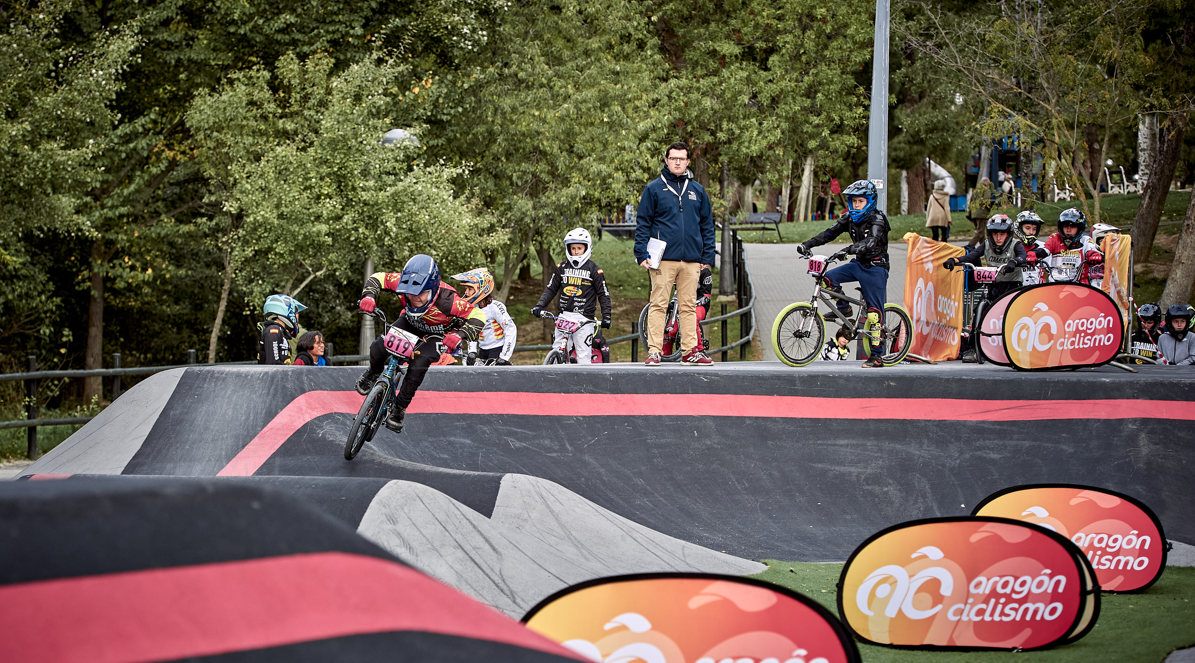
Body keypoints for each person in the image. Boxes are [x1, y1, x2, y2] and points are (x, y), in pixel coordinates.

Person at [356, 254, 484, 433]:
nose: (414, 297)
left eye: (421, 293)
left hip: (438, 334)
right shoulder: (401, 281)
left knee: (419, 363)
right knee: (378, 347)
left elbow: (478, 315)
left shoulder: (449, 301)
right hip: (409, 323)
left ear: (432, 289)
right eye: (409, 292)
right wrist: (369, 296)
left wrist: (459, 334)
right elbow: (377, 277)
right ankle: (373, 372)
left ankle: (399, 409)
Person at [634, 141, 716, 366]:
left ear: (688, 162)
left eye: (682, 158)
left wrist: (707, 258)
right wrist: (640, 253)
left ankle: (690, 351)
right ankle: (654, 351)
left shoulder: (697, 190)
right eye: (673, 158)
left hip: (691, 260)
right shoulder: (654, 189)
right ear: (666, 160)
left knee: (688, 306)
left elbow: (707, 225)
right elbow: (643, 222)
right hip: (663, 259)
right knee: (659, 304)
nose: (677, 162)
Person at [796, 180, 891, 369]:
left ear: (870, 201)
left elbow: (871, 242)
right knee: (826, 280)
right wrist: (807, 244)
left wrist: (848, 250)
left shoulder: (877, 219)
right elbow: (829, 233)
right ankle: (844, 308)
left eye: (860, 201)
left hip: (876, 267)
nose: (856, 205)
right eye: (853, 201)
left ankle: (878, 356)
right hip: (858, 264)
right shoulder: (849, 218)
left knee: (873, 316)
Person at [945, 215, 1027, 363]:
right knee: (980, 312)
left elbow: (1023, 257)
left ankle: (1015, 348)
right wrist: (955, 260)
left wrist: (1014, 262)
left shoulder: (1016, 244)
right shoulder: (987, 244)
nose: (998, 237)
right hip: (994, 285)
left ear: (1008, 234)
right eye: (995, 233)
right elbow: (974, 255)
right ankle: (973, 349)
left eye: (1002, 234)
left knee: (1011, 315)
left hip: (1012, 286)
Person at [532, 228, 612, 365]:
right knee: (557, 350)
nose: (575, 251)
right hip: (563, 317)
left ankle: (583, 385)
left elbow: (603, 295)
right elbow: (551, 289)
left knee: (583, 357)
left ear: (587, 248)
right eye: (573, 248)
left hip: (584, 319)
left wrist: (607, 316)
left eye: (579, 248)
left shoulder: (594, 270)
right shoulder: (561, 267)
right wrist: (540, 306)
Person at [452, 268, 516, 365]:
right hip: (482, 350)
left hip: (497, 349)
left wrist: (504, 356)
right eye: (466, 289)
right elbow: (472, 331)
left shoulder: (495, 307)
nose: (466, 293)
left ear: (482, 289)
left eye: (470, 289)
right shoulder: (472, 308)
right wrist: (472, 352)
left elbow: (510, 329)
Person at [1043, 208, 1102, 284]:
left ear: (1079, 227)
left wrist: (1093, 255)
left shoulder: (1086, 240)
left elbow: (1091, 250)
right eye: (1065, 226)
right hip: (1055, 284)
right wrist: (1034, 254)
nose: (1068, 230)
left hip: (1080, 285)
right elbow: (1044, 249)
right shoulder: (1054, 238)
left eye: (1072, 227)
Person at [258, 294, 306, 365]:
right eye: (294, 312)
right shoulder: (273, 330)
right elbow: (273, 364)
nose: (295, 315)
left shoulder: (280, 330)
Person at [1013, 210, 1050, 284]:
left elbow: (1052, 273)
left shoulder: (1043, 247)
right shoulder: (1012, 246)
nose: (1031, 232)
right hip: (1017, 291)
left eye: (1034, 229)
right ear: (1019, 228)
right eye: (1027, 228)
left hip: (1039, 290)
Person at [965, 177, 995, 250]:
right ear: (987, 182)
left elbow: (971, 202)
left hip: (974, 213)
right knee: (980, 232)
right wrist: (989, 209)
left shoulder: (976, 190)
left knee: (981, 233)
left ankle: (985, 248)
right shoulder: (986, 190)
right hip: (982, 213)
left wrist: (970, 214)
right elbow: (986, 202)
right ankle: (970, 245)